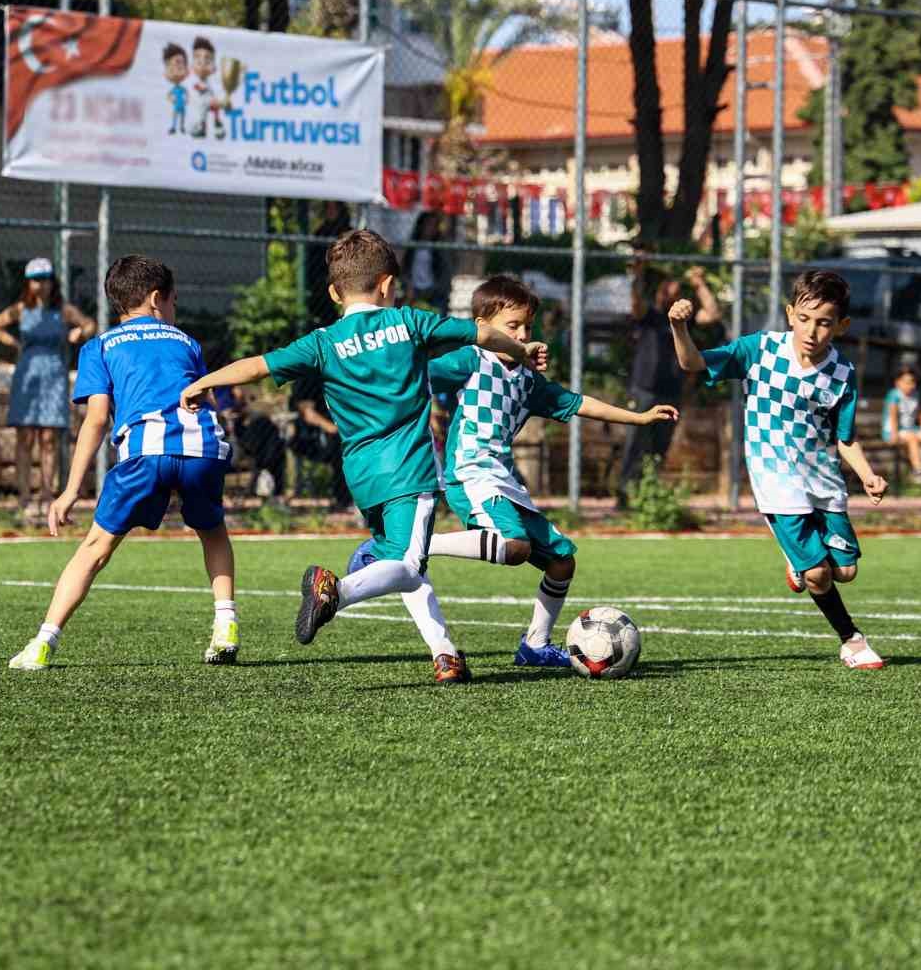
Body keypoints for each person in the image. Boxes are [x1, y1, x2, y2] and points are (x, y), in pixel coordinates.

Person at [179, 230, 548, 685]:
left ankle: (445, 653)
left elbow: (258, 364)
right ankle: (337, 590)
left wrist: (205, 382)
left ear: (334, 292)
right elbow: (482, 333)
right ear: (389, 285)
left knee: (403, 563)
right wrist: (522, 350)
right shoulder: (411, 322)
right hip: (410, 470)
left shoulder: (322, 341)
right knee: (408, 565)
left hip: (362, 476)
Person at [381, 275, 677, 668]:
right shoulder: (471, 359)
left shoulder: (527, 380)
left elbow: (578, 402)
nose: (521, 334)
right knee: (515, 546)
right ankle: (411, 548)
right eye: (512, 326)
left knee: (561, 561)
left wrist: (637, 418)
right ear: (483, 328)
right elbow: (416, 375)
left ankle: (535, 645)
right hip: (470, 474)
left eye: (527, 327)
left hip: (504, 481)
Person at [7, 255, 239, 670]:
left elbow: (96, 418)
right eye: (172, 302)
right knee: (213, 533)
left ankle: (42, 644)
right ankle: (226, 625)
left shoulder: (98, 347)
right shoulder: (187, 342)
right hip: (202, 449)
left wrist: (71, 489)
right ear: (156, 300)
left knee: (95, 548)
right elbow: (205, 396)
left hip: (145, 453)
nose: (173, 310)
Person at [668, 268, 891, 671]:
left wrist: (867, 473)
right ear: (790, 314)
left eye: (824, 323)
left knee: (846, 570)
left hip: (823, 481)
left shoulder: (842, 374)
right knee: (820, 576)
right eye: (804, 319)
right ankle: (852, 640)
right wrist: (679, 327)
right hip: (776, 482)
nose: (812, 330)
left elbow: (846, 438)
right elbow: (693, 363)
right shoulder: (761, 350)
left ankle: (797, 562)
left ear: (842, 326)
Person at [0, 257, 96, 519]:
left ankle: (48, 494)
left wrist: (77, 334)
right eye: (36, 279)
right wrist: (13, 343)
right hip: (27, 374)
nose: (41, 285)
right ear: (28, 283)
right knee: (25, 436)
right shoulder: (21, 309)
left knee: (49, 437)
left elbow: (89, 324)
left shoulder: (63, 310)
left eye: (45, 279)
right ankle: (24, 496)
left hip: (54, 374)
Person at [615, 263, 720, 507]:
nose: (671, 293)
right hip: (644, 391)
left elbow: (713, 314)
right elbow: (636, 303)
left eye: (676, 290)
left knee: (659, 447)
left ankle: (647, 495)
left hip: (671, 393)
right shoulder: (651, 317)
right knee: (635, 444)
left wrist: (700, 284)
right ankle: (624, 496)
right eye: (667, 290)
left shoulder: (686, 322)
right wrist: (638, 275)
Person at [288, 372, 352, 512]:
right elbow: (308, 414)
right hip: (313, 438)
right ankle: (343, 501)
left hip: (345, 432)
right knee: (340, 449)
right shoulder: (306, 378)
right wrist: (333, 429)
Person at [883, 365, 921, 487]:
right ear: (898, 383)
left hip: (910, 429)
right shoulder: (894, 395)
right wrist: (894, 434)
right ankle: (918, 473)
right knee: (912, 438)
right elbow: (893, 416)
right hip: (894, 431)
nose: (911, 385)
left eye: (913, 382)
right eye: (907, 382)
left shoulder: (915, 395)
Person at [402, 210, 453, 310]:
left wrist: (438, 290)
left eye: (434, 225)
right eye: (428, 224)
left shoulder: (440, 247)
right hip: (414, 290)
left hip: (433, 292)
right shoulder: (412, 245)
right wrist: (407, 284)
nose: (431, 228)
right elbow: (405, 268)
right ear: (421, 225)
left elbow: (445, 272)